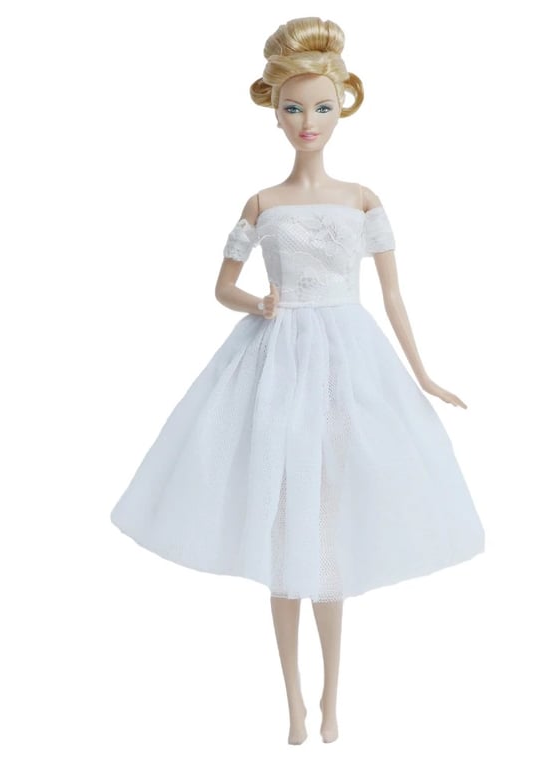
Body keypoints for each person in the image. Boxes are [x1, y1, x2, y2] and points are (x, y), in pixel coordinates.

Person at [110, 16, 485, 745]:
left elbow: (394, 296)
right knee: (284, 528)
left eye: (321, 106)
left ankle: (332, 700)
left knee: (330, 529)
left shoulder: (363, 199)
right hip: (276, 361)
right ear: (273, 110)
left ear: (344, 104)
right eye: (292, 107)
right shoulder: (262, 203)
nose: (307, 121)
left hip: (349, 361)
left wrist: (423, 373)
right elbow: (221, 286)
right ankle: (293, 705)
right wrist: (257, 301)